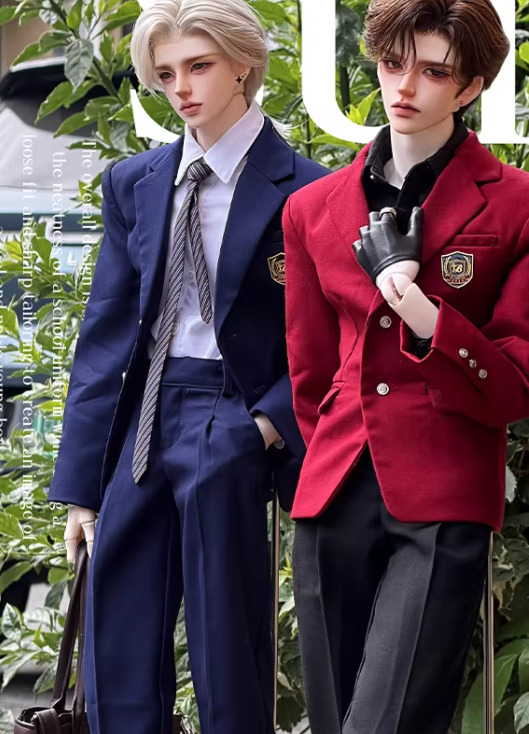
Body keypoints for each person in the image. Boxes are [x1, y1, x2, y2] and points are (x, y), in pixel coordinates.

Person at [47, 1, 326, 732]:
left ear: (243, 64)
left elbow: (331, 335)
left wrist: (265, 424)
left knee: (226, 649)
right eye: (165, 74)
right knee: (118, 642)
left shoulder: (308, 189)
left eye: (198, 66)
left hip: (232, 413)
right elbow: (105, 336)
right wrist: (81, 489)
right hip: (144, 416)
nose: (181, 88)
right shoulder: (135, 181)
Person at [283, 1, 524, 733]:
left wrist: (415, 304)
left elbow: (513, 386)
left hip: (445, 489)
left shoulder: (516, 204)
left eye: (434, 72)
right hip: (333, 490)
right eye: (393, 64)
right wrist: (325, 462)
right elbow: (310, 371)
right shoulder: (311, 208)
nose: (405, 86)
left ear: (471, 86)